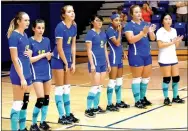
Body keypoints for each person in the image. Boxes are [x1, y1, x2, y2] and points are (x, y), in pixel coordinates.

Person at [124, 5, 156, 109]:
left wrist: (151, 31)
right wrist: (143, 33)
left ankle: (142, 98)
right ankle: (137, 101)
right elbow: (131, 40)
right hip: (136, 54)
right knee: (137, 78)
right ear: (132, 14)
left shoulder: (145, 24)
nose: (139, 14)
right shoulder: (129, 25)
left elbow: (152, 38)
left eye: (140, 12)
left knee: (146, 78)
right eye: (136, 12)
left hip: (147, 54)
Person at [51, 5, 79, 124]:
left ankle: (68, 114)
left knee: (67, 88)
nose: (72, 13)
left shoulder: (74, 25)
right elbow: (60, 48)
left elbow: (73, 45)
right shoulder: (60, 27)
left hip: (67, 59)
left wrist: (73, 62)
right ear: (63, 15)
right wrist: (66, 63)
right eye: (69, 12)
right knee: (59, 88)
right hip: (58, 59)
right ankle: (61, 116)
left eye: (73, 11)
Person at [7, 12, 32, 131]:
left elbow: (26, 53)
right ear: (18, 21)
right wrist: (22, 77)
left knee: (25, 102)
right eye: (25, 20)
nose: (28, 22)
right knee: (18, 103)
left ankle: (22, 128)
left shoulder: (25, 35)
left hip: (27, 73)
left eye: (28, 20)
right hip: (18, 74)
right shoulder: (14, 36)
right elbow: (14, 58)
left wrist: (30, 53)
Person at [85, 15, 111, 118]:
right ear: (92, 22)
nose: (99, 22)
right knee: (94, 86)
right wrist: (92, 64)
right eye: (97, 21)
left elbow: (105, 49)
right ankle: (88, 109)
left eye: (101, 21)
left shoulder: (103, 34)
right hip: (94, 63)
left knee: (99, 86)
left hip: (102, 63)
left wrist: (108, 63)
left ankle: (95, 107)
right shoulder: (90, 34)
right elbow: (89, 50)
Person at [156, 13, 185, 106]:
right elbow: (160, 45)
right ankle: (166, 98)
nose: (168, 20)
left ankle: (175, 97)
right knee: (167, 79)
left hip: (173, 57)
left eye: (169, 19)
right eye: (166, 19)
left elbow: (175, 46)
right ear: (162, 21)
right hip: (164, 58)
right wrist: (172, 42)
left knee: (176, 78)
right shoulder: (160, 31)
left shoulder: (174, 30)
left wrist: (177, 42)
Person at [29, 19, 52, 131]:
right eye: (38, 28)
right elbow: (30, 60)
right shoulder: (29, 41)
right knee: (40, 99)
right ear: (33, 28)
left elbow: (48, 56)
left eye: (42, 28)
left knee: (47, 99)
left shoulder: (47, 40)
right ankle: (33, 124)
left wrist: (49, 56)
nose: (41, 30)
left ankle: (43, 122)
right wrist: (43, 55)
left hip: (46, 71)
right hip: (36, 73)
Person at [106, 13, 130, 112]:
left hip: (119, 56)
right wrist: (120, 32)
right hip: (113, 57)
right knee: (112, 81)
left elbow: (119, 45)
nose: (118, 22)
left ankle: (118, 101)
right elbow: (117, 42)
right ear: (111, 21)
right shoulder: (110, 30)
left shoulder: (116, 30)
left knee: (119, 80)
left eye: (119, 20)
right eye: (116, 20)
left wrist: (124, 52)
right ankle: (109, 103)